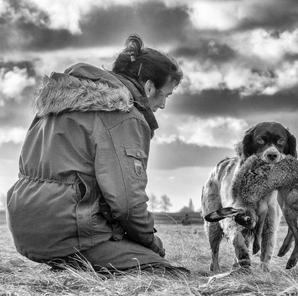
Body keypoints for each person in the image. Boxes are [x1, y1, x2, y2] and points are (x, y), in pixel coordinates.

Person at [6, 34, 187, 276]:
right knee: (164, 272)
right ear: (149, 86)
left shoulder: (56, 105)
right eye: (165, 94)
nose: (163, 104)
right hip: (73, 233)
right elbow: (128, 202)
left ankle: (69, 263)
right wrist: (152, 243)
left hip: (26, 228)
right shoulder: (123, 115)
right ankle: (78, 260)